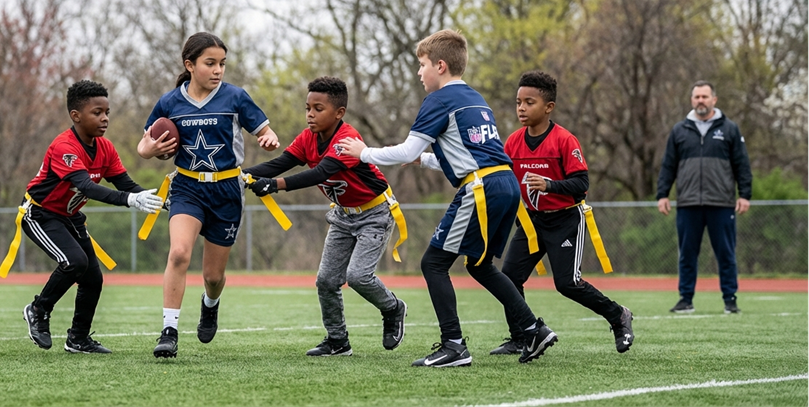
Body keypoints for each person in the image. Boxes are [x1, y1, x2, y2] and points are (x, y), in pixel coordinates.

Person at [338, 30, 556, 367]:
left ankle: (454, 345)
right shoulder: (475, 98)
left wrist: (363, 152)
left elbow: (408, 148)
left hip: (481, 189)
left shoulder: (438, 100)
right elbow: (467, 155)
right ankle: (532, 329)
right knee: (480, 265)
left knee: (433, 263)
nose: (419, 72)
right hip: (505, 184)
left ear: (440, 66)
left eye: (422, 65)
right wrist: (423, 159)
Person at [137, 32, 279, 358]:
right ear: (190, 65)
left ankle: (210, 303)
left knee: (213, 277)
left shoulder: (235, 97)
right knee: (179, 253)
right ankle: (169, 331)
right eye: (210, 63)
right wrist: (151, 148)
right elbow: (144, 145)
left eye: (222, 64)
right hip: (187, 188)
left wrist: (268, 138)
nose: (218, 70)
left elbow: (264, 129)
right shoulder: (170, 102)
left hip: (227, 189)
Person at [244, 76, 407, 357]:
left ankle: (393, 308)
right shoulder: (308, 138)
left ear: (339, 113)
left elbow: (321, 173)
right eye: (307, 108)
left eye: (318, 109)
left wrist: (276, 185)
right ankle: (337, 341)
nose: (310, 114)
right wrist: (239, 175)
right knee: (326, 280)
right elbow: (280, 163)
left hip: (375, 213)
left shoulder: (348, 139)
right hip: (343, 215)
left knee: (358, 276)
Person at [490, 71, 633, 356]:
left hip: (565, 220)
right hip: (531, 223)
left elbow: (582, 185)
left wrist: (550, 185)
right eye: (518, 102)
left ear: (549, 107)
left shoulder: (565, 141)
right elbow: (502, 178)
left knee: (567, 284)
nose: (521, 108)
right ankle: (520, 337)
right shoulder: (513, 143)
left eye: (529, 102)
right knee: (509, 276)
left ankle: (618, 315)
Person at [16, 80, 164, 354]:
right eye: (97, 112)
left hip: (70, 215)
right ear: (76, 115)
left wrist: (161, 200)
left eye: (107, 111)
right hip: (40, 213)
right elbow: (86, 187)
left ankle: (78, 339)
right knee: (75, 262)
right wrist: (130, 200)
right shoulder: (65, 146)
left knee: (93, 279)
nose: (105, 118)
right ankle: (38, 309)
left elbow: (126, 185)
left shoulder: (105, 148)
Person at [656, 80, 751, 314]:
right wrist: (663, 194)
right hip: (688, 203)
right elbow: (668, 165)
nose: (701, 101)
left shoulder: (729, 129)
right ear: (692, 100)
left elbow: (742, 165)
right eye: (697, 97)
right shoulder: (679, 130)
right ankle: (685, 299)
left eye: (705, 97)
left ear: (714, 100)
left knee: (726, 254)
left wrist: (745, 195)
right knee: (687, 254)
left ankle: (730, 300)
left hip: (721, 203)